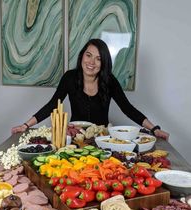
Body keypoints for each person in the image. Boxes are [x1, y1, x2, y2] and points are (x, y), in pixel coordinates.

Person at [11, 38, 169, 140]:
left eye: (98, 58)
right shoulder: (69, 77)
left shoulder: (109, 81)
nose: (92, 62)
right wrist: (25, 125)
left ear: (104, 63)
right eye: (89, 55)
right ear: (82, 57)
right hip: (74, 136)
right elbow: (52, 105)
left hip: (103, 138)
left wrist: (154, 128)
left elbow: (127, 108)